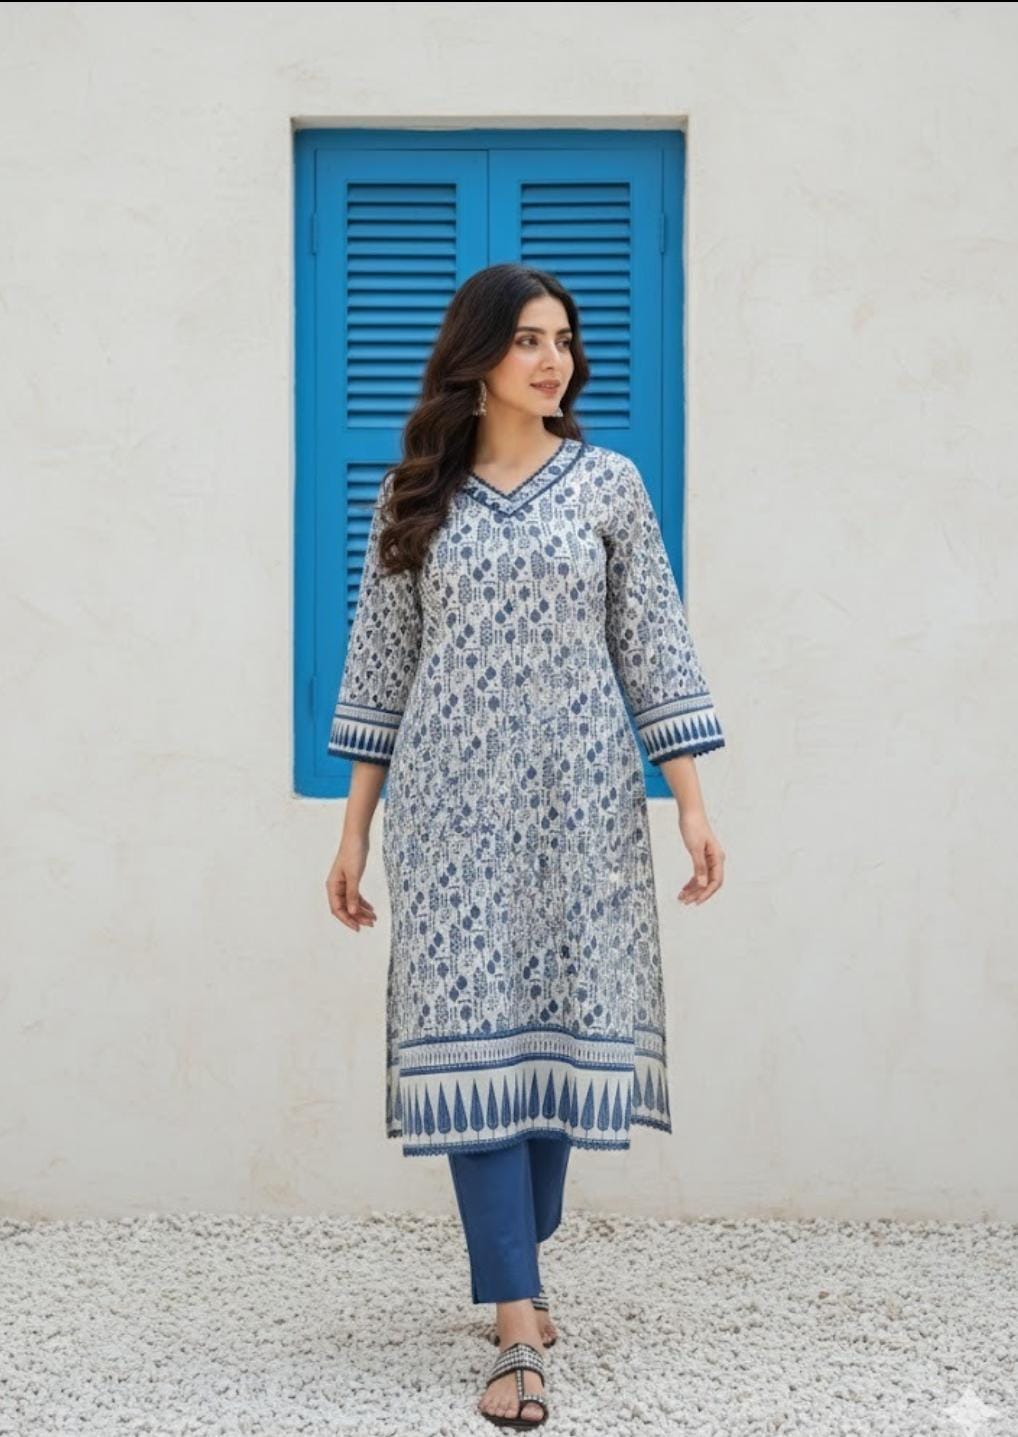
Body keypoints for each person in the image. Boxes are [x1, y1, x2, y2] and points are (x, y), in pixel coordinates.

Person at [324, 263, 727, 1427]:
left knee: (552, 1048)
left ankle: (521, 1248)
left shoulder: (609, 485)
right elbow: (378, 671)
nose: (553, 360)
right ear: (480, 357)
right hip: (448, 817)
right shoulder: (418, 497)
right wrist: (352, 834)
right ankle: (513, 1323)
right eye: (528, 341)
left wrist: (691, 803)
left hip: (582, 811)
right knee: (469, 1046)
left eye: (564, 340)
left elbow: (653, 641)